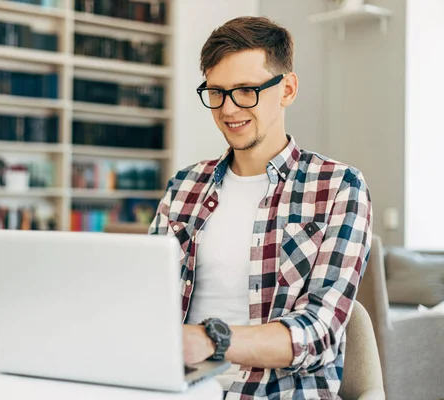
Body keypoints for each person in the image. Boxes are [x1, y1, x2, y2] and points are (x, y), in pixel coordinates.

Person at [148, 16, 373, 399]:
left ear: (287, 89)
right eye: (216, 92)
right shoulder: (183, 188)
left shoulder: (338, 186)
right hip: (173, 388)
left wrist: (210, 340)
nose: (229, 109)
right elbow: (145, 301)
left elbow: (319, 332)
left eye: (246, 90)